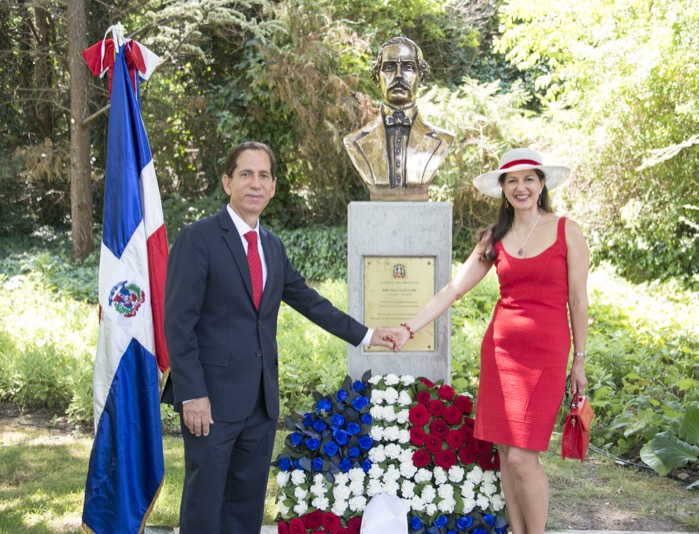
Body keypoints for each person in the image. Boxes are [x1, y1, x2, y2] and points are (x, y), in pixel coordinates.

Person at [162, 141, 397, 533]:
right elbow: (178, 324)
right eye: (246, 174)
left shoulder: (271, 246)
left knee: (246, 506)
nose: (255, 183)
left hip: (260, 402)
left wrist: (368, 334)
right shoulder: (197, 239)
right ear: (228, 182)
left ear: (272, 187)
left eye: (264, 175)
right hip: (211, 402)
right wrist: (192, 394)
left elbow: (310, 302)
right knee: (205, 504)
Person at [386, 148, 590, 534]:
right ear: (503, 189)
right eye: (512, 180)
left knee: (522, 459)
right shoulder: (494, 237)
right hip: (500, 354)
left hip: (546, 355)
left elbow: (578, 301)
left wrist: (579, 359)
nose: (521, 187)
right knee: (506, 454)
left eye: (528, 179)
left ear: (542, 184)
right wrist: (407, 328)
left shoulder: (567, 231)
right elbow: (453, 290)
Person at [343, 36, 454, 201]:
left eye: (408, 67)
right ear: (377, 76)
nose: (399, 76)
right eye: (389, 67)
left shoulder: (443, 140)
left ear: (421, 77)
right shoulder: (355, 142)